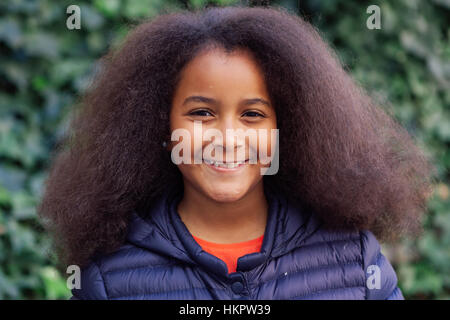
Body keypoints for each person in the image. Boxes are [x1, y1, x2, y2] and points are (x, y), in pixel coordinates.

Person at [38, 5, 434, 300]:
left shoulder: (353, 258)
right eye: (202, 113)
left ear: (287, 127)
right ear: (160, 124)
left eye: (252, 114)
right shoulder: (109, 280)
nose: (227, 137)